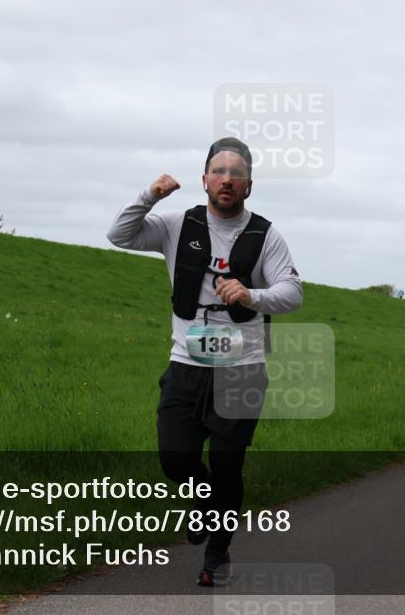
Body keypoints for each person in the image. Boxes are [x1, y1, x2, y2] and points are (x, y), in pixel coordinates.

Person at [106, 137, 303, 587]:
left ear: (249, 185)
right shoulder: (178, 224)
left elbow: (293, 293)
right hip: (186, 364)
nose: (227, 179)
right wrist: (149, 196)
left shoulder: (266, 234)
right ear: (204, 180)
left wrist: (251, 294)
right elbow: (120, 235)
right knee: (175, 459)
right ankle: (205, 502)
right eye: (219, 171)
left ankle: (217, 554)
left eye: (237, 173)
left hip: (242, 369)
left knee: (229, 465)